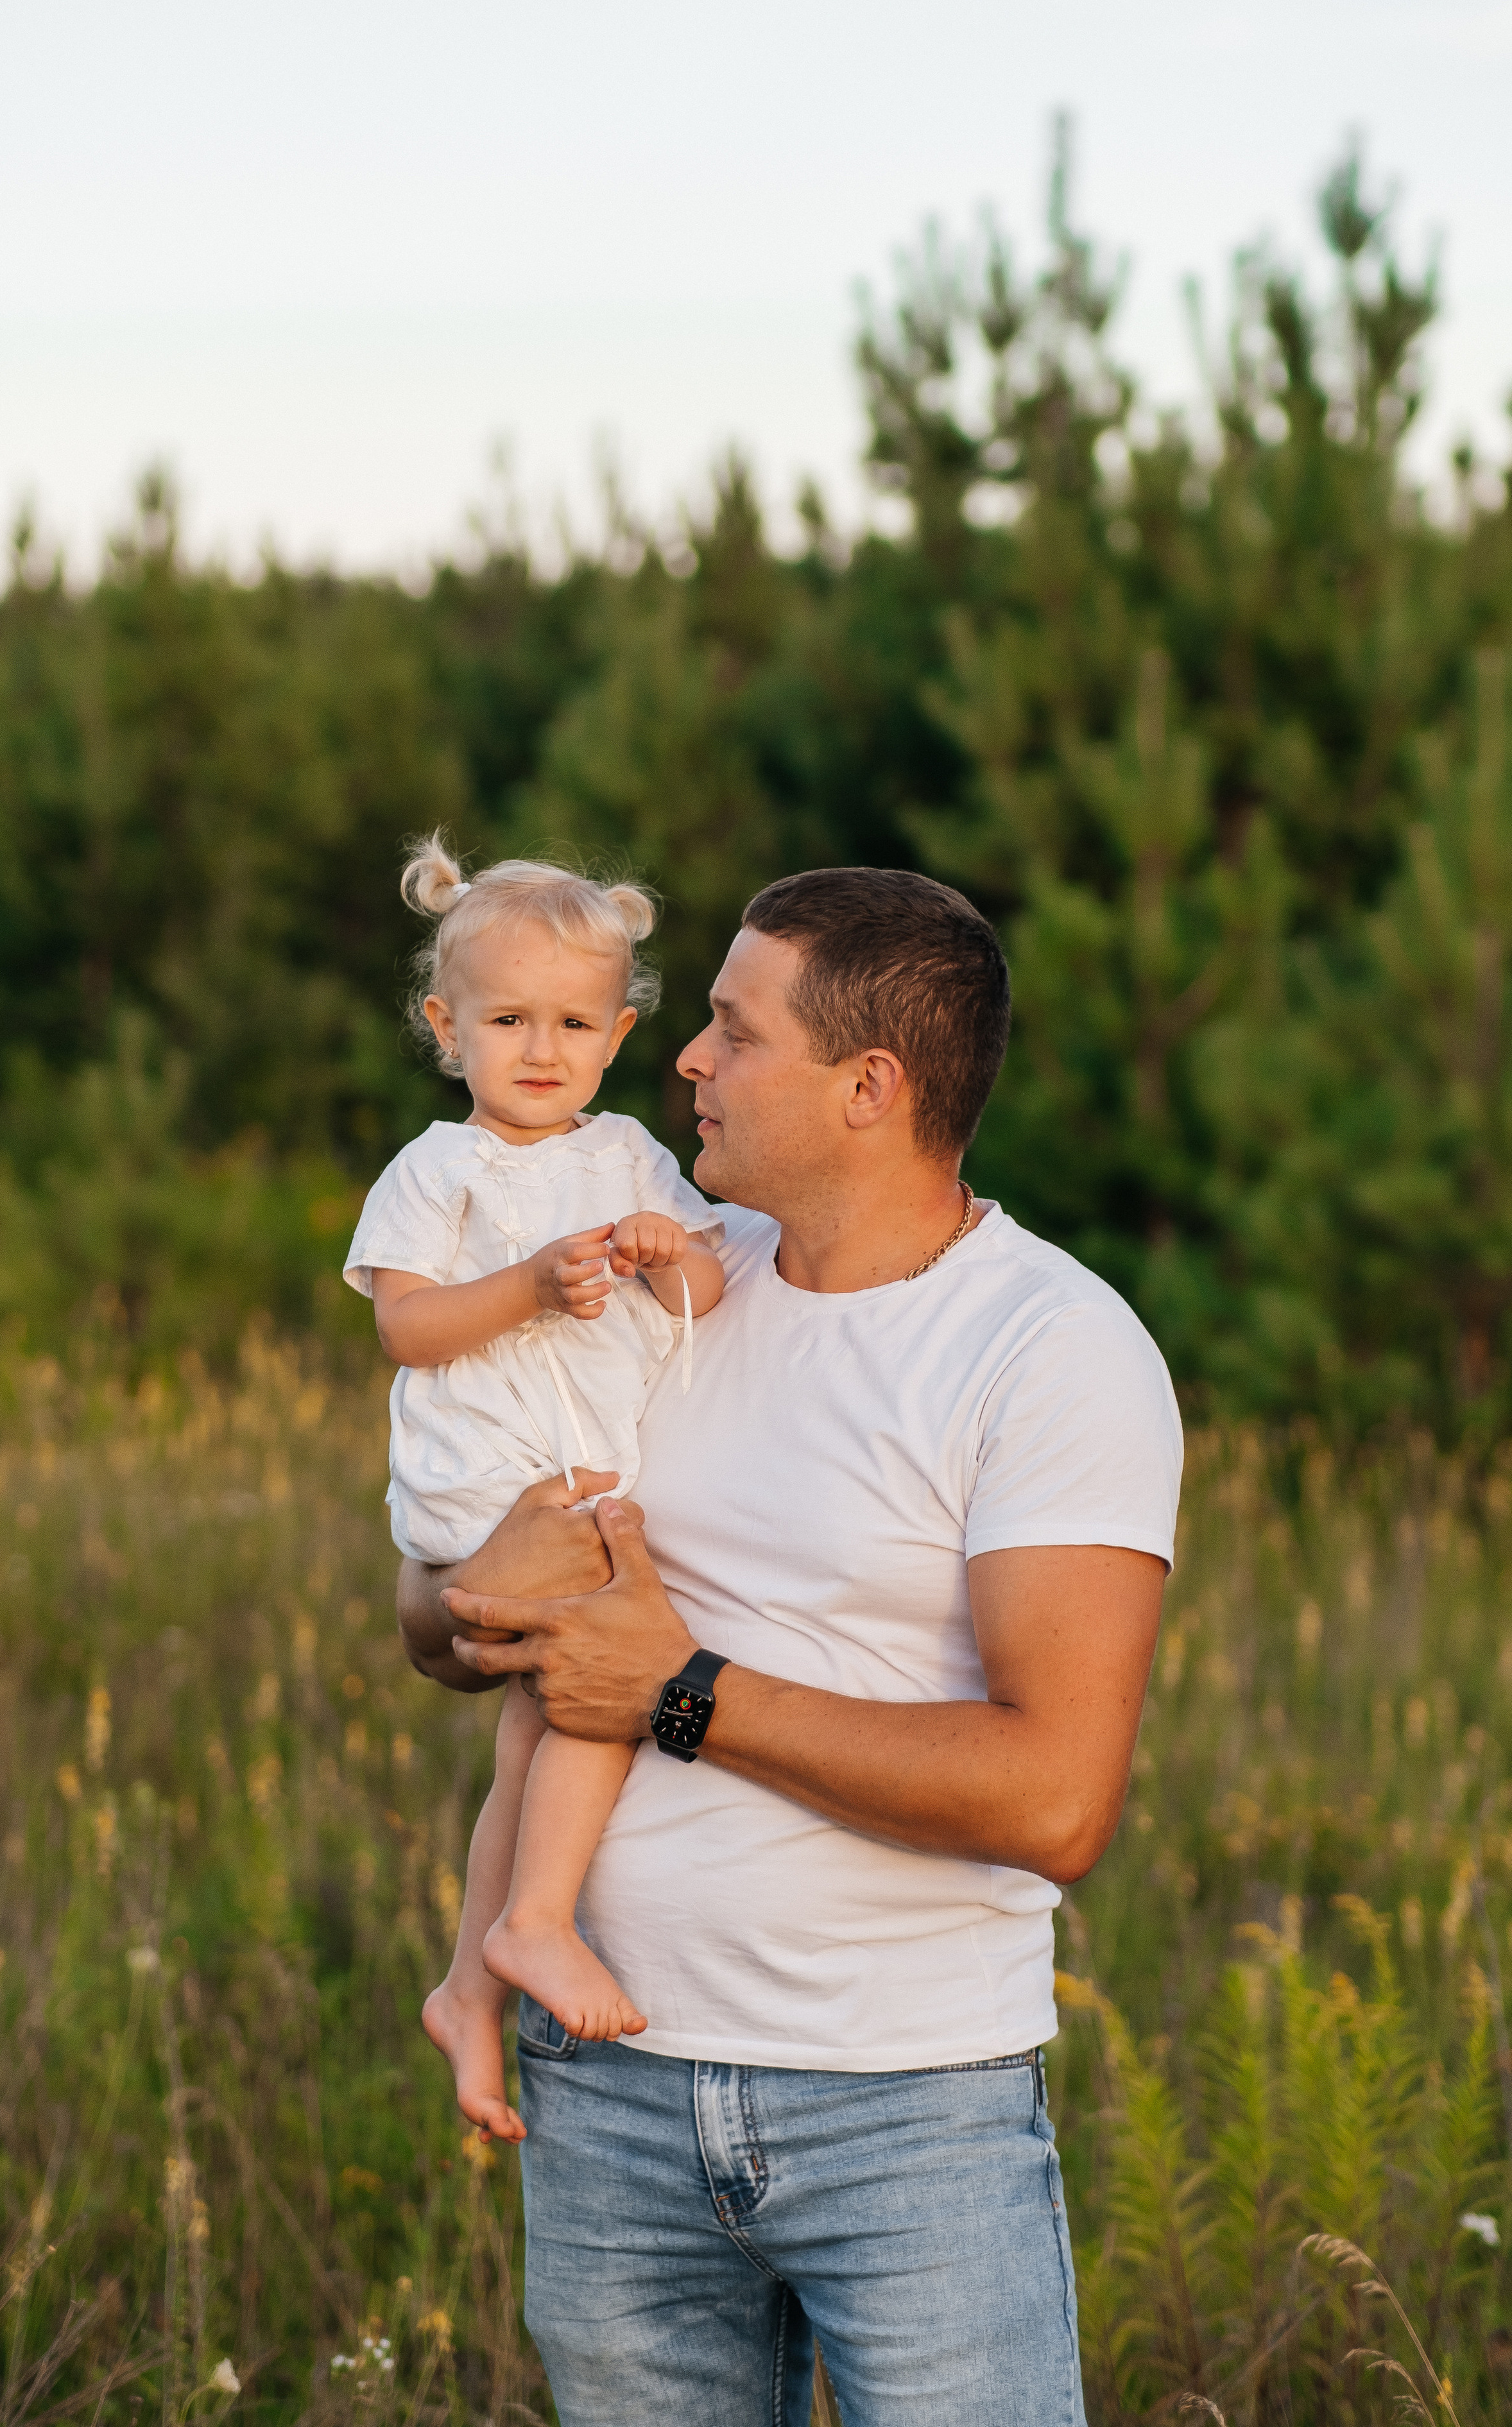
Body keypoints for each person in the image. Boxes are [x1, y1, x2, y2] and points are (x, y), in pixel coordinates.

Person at [400, 866, 1183, 2426]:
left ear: (867, 1087)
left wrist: (678, 1694)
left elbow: (1053, 1801)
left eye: (731, 1030)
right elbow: (447, 1627)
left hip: (904, 2118)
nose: (681, 1055)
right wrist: (465, 1598)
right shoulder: (670, 1279)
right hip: (605, 2094)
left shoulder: (1051, 1349)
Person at [344, 837, 725, 2145]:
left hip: (580, 1487)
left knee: (537, 1728)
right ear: (447, 1028)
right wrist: (526, 1285)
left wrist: (666, 1252)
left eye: (572, 1022)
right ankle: (537, 1921)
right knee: (602, 1694)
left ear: (618, 1034)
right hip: (489, 1494)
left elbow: (706, 1292)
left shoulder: (625, 1156)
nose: (541, 1049)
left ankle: (466, 1992)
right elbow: (407, 1327)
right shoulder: (437, 1171)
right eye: (508, 1020)